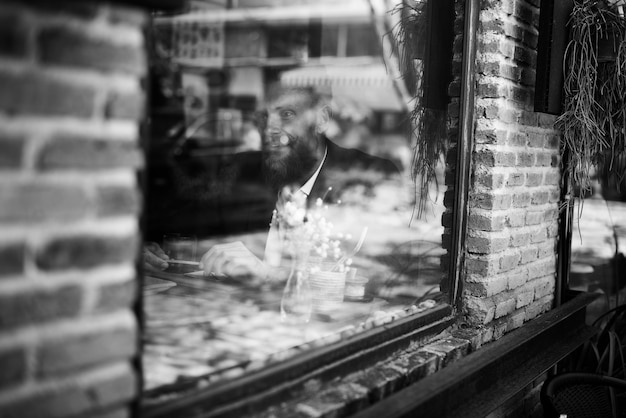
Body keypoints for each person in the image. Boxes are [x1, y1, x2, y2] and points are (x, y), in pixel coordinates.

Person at [143, 82, 399, 277]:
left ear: (321, 120)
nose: (269, 131)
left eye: (287, 114)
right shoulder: (243, 168)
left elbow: (374, 274)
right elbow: (187, 217)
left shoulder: (368, 176)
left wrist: (267, 275)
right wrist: (145, 245)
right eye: (264, 118)